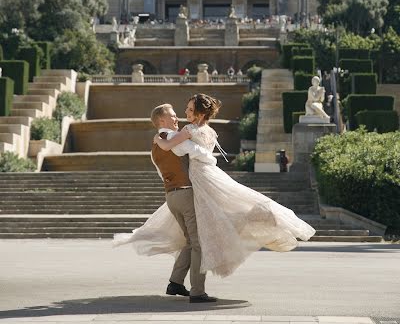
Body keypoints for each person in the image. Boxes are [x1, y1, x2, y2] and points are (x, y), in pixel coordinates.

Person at [115, 94, 316, 280]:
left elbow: (172, 151)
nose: (183, 115)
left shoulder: (184, 132)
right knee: (217, 223)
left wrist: (158, 139)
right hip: (204, 180)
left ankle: (183, 284)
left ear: (200, 114)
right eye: (181, 111)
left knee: (201, 233)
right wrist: (207, 158)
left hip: (189, 184)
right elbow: (197, 150)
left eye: (189, 110)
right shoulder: (204, 132)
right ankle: (195, 288)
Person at [113, 103, 217, 303]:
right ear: (161, 120)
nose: (177, 119)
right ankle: (197, 291)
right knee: (198, 244)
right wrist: (209, 152)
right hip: (186, 194)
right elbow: (201, 155)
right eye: (173, 116)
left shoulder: (155, 145)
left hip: (171, 197)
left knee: (189, 241)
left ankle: (176, 282)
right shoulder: (172, 139)